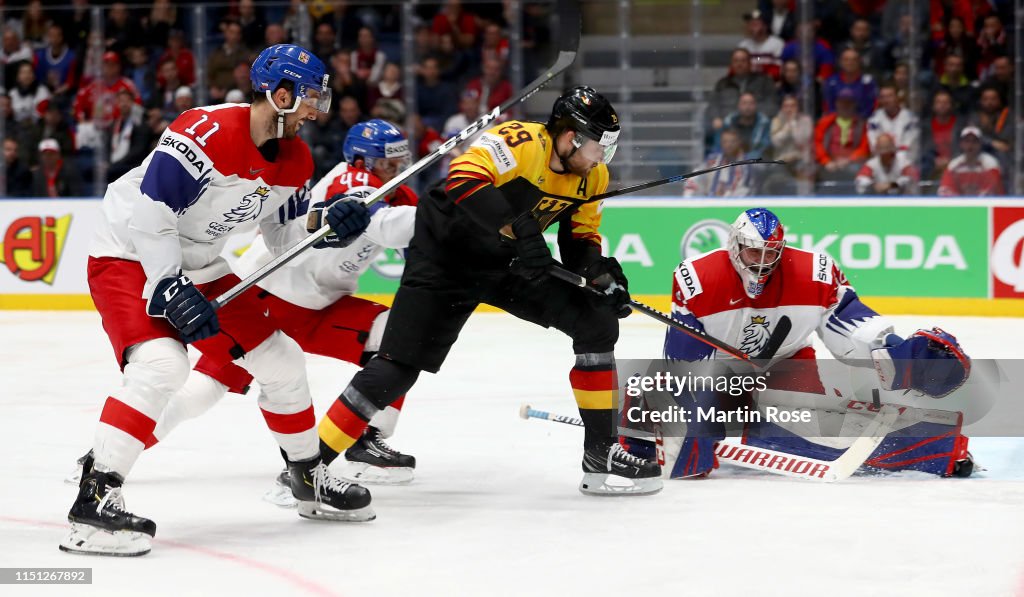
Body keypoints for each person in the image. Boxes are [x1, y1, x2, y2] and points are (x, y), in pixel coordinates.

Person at [61, 44, 375, 558]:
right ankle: (94, 502)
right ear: (280, 94)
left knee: (281, 360)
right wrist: (167, 284)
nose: (319, 111)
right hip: (129, 254)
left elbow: (282, 238)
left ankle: (307, 478)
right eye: (313, 98)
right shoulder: (203, 132)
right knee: (163, 365)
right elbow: (150, 216)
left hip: (200, 262)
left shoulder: (294, 157)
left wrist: (326, 224)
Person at [315, 86, 663, 496]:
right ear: (571, 138)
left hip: (506, 263)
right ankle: (308, 466)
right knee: (398, 368)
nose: (602, 158)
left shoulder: (593, 176)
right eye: (598, 148)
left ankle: (600, 453)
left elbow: (580, 238)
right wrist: (519, 227)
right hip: (443, 257)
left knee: (597, 323)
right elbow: (463, 179)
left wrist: (601, 276)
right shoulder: (520, 141)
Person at [646, 208, 972, 479]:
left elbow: (848, 321)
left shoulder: (814, 272)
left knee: (813, 429)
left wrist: (895, 351)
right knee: (672, 413)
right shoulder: (697, 277)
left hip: (786, 365)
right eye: (753, 251)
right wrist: (694, 407)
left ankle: (938, 449)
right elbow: (684, 362)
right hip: (721, 373)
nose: (761, 262)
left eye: (770, 253)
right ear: (735, 246)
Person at [939, 126, 1005, 196]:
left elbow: (994, 190)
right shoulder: (954, 164)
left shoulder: (990, 163)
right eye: (967, 141)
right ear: (961, 144)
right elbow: (945, 190)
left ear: (980, 144)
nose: (970, 145)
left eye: (974, 141)